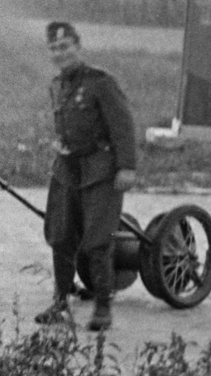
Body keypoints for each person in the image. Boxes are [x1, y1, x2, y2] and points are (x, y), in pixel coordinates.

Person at [34, 21, 138, 331]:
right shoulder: (58, 85)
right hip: (67, 170)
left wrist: (126, 166)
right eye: (54, 48)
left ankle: (103, 306)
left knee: (96, 240)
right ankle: (60, 303)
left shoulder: (101, 83)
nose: (60, 53)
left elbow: (122, 124)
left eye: (65, 47)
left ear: (78, 47)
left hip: (99, 171)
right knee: (60, 236)